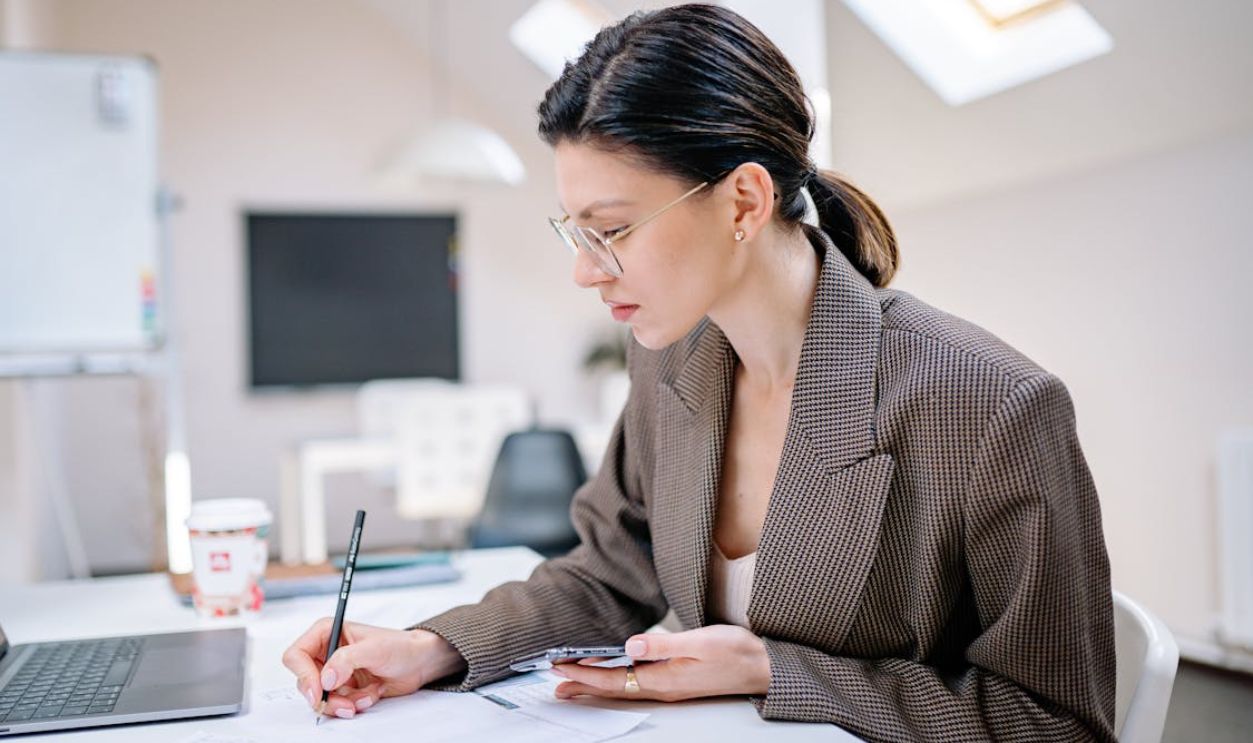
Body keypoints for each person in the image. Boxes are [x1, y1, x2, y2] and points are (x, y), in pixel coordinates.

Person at [283, 5, 1116, 740]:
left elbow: (1054, 721)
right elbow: (610, 574)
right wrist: (431, 647)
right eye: (574, 230)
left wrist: (773, 670)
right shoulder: (669, 357)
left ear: (745, 202)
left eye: (612, 229)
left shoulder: (989, 404)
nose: (584, 270)